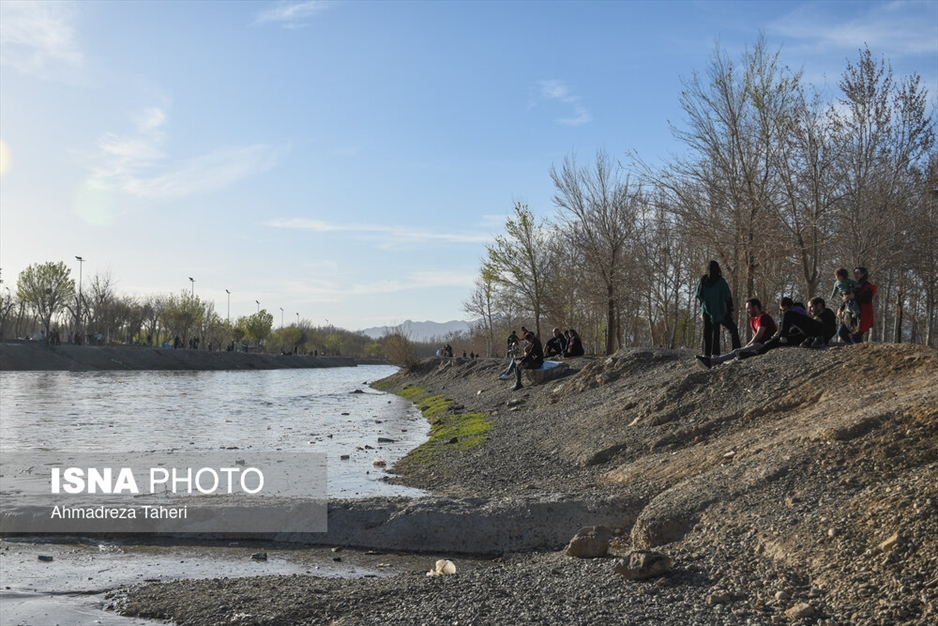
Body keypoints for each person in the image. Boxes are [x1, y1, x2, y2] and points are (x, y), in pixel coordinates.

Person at [695, 298, 777, 369]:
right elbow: (755, 334)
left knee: (737, 351)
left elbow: (759, 334)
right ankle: (715, 361)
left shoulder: (763, 317)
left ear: (755, 307)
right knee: (738, 354)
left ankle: (711, 361)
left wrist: (749, 344)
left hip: (764, 345)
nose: (747, 311)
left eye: (749, 308)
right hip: (758, 344)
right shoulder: (752, 320)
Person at [695, 261, 741, 357]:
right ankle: (711, 355)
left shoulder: (716, 282)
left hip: (718, 310)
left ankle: (733, 352)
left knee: (712, 332)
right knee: (712, 332)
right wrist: (731, 310)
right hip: (716, 311)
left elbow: (700, 297)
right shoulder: (704, 281)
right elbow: (728, 297)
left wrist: (730, 310)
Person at [759, 296, 837, 353]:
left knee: (788, 313)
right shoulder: (816, 319)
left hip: (820, 333)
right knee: (780, 340)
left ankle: (783, 336)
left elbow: (813, 324)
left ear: (819, 305)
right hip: (812, 336)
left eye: (811, 307)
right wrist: (792, 331)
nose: (809, 310)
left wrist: (795, 326)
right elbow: (809, 326)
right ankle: (759, 350)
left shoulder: (827, 312)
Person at [837, 267, 877, 344]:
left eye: (858, 273)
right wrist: (841, 308)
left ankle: (860, 351)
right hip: (849, 315)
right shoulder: (852, 285)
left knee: (856, 336)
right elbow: (847, 298)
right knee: (841, 332)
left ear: (863, 274)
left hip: (861, 315)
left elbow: (867, 299)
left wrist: (854, 297)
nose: (856, 275)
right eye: (855, 273)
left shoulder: (867, 287)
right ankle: (851, 348)